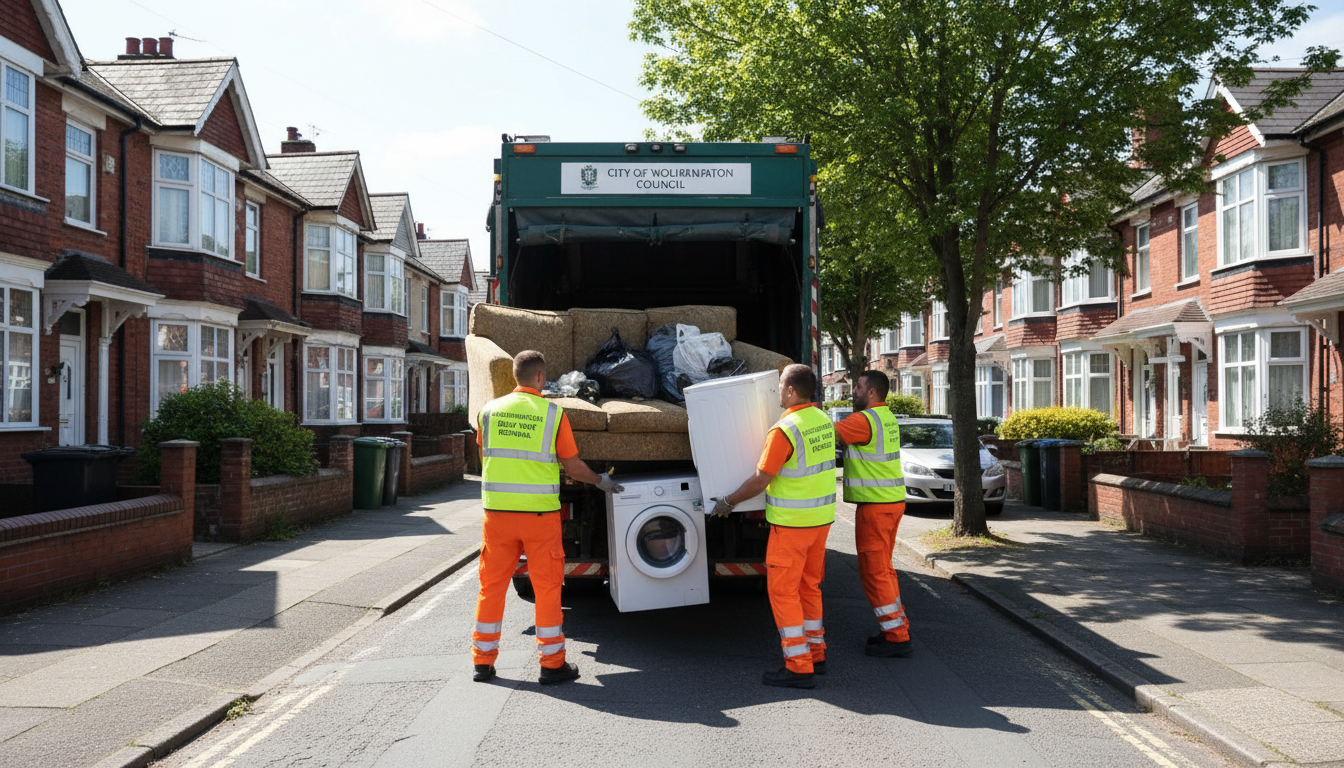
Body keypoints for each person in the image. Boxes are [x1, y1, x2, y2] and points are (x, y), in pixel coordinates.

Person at [472, 350, 624, 685]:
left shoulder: (488, 411)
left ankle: (483, 662)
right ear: (541, 377)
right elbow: (572, 467)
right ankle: (552, 665)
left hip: (496, 516)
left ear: (515, 376)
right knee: (547, 588)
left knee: (492, 587)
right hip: (539, 518)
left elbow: (484, 452)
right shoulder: (552, 415)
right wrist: (602, 481)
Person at [711, 364, 835, 689]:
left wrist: (728, 501)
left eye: (780, 385)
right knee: (809, 588)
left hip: (791, 526)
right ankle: (816, 653)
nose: (777, 391)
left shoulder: (784, 430)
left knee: (783, 591)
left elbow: (761, 479)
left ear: (791, 391)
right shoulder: (822, 421)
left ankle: (798, 666)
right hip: (819, 523)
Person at [835, 370, 912, 658]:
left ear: (872, 393)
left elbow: (821, 433)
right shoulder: (886, 417)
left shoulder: (863, 420)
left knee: (874, 571)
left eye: (858, 386)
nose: (853, 390)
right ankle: (897, 626)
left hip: (876, 506)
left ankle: (896, 636)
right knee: (885, 569)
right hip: (891, 502)